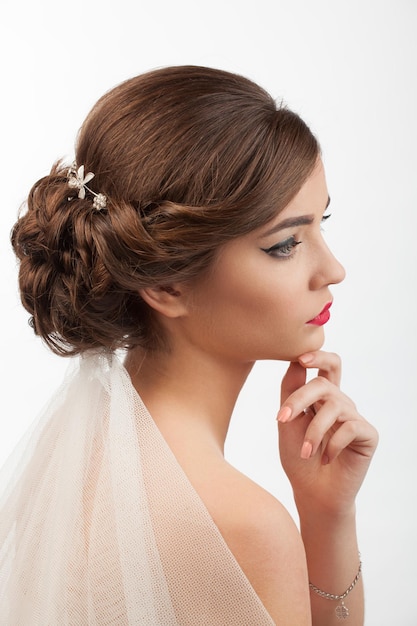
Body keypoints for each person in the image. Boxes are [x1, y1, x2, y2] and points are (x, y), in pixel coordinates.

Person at [0, 66, 378, 625]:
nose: (334, 270)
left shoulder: (68, 479)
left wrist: (327, 512)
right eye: (285, 244)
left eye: (322, 223)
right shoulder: (242, 525)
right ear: (166, 284)